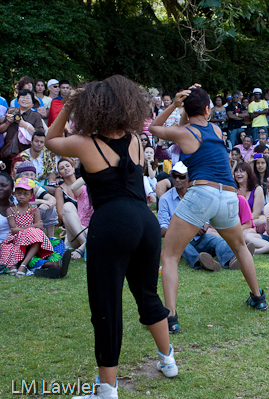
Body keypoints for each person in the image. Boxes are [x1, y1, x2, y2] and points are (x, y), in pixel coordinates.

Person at [46, 75, 178, 398]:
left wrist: (67, 107)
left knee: (107, 305)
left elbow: (51, 139)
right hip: (145, 223)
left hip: (112, 224)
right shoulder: (134, 137)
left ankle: (106, 390)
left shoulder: (82, 143)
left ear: (91, 110)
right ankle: (168, 360)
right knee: (147, 294)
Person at [150, 84, 267, 337]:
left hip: (201, 193)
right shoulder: (215, 128)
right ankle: (258, 298)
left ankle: (171, 318)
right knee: (239, 247)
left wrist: (173, 104)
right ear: (207, 109)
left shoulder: (185, 132)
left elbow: (154, 128)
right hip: (228, 195)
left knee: (169, 255)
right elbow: (189, 125)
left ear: (186, 109)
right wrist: (191, 101)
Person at [158, 162, 251, 270]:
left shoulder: (198, 194)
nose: (177, 179)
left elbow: (207, 218)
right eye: (174, 176)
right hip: (180, 238)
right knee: (181, 243)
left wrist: (205, 226)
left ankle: (231, 259)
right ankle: (200, 262)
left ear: (189, 177)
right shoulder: (165, 199)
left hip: (199, 238)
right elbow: (162, 229)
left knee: (217, 241)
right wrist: (189, 229)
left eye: (181, 176)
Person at [0, 177, 55, 277]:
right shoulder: (11, 210)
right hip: (16, 239)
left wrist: (32, 228)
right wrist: (33, 226)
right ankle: (14, 266)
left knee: (39, 235)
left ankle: (23, 265)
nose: (22, 197)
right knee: (10, 245)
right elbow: (13, 230)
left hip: (31, 241)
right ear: (15, 194)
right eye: (19, 193)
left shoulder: (34, 210)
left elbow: (39, 229)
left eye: (25, 194)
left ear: (31, 196)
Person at [54, 158, 92, 260]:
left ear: (73, 168)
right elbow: (61, 215)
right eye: (62, 168)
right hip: (75, 230)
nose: (66, 168)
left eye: (67, 166)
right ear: (59, 173)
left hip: (92, 231)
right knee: (68, 206)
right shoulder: (79, 188)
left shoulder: (99, 189)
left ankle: (83, 248)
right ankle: (85, 245)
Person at [0, 90, 45, 165]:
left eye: (27, 98)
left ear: (32, 103)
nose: (24, 100)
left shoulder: (35, 116)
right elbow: (1, 130)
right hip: (9, 151)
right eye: (22, 97)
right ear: (18, 100)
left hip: (26, 153)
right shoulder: (11, 112)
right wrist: (8, 122)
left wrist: (24, 125)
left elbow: (40, 134)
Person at [235, 162, 266, 232]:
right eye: (236, 171)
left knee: (262, 220)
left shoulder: (257, 189)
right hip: (236, 220)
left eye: (241, 171)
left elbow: (256, 212)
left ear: (248, 173)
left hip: (252, 219)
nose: (238, 174)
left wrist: (245, 222)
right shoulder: (233, 189)